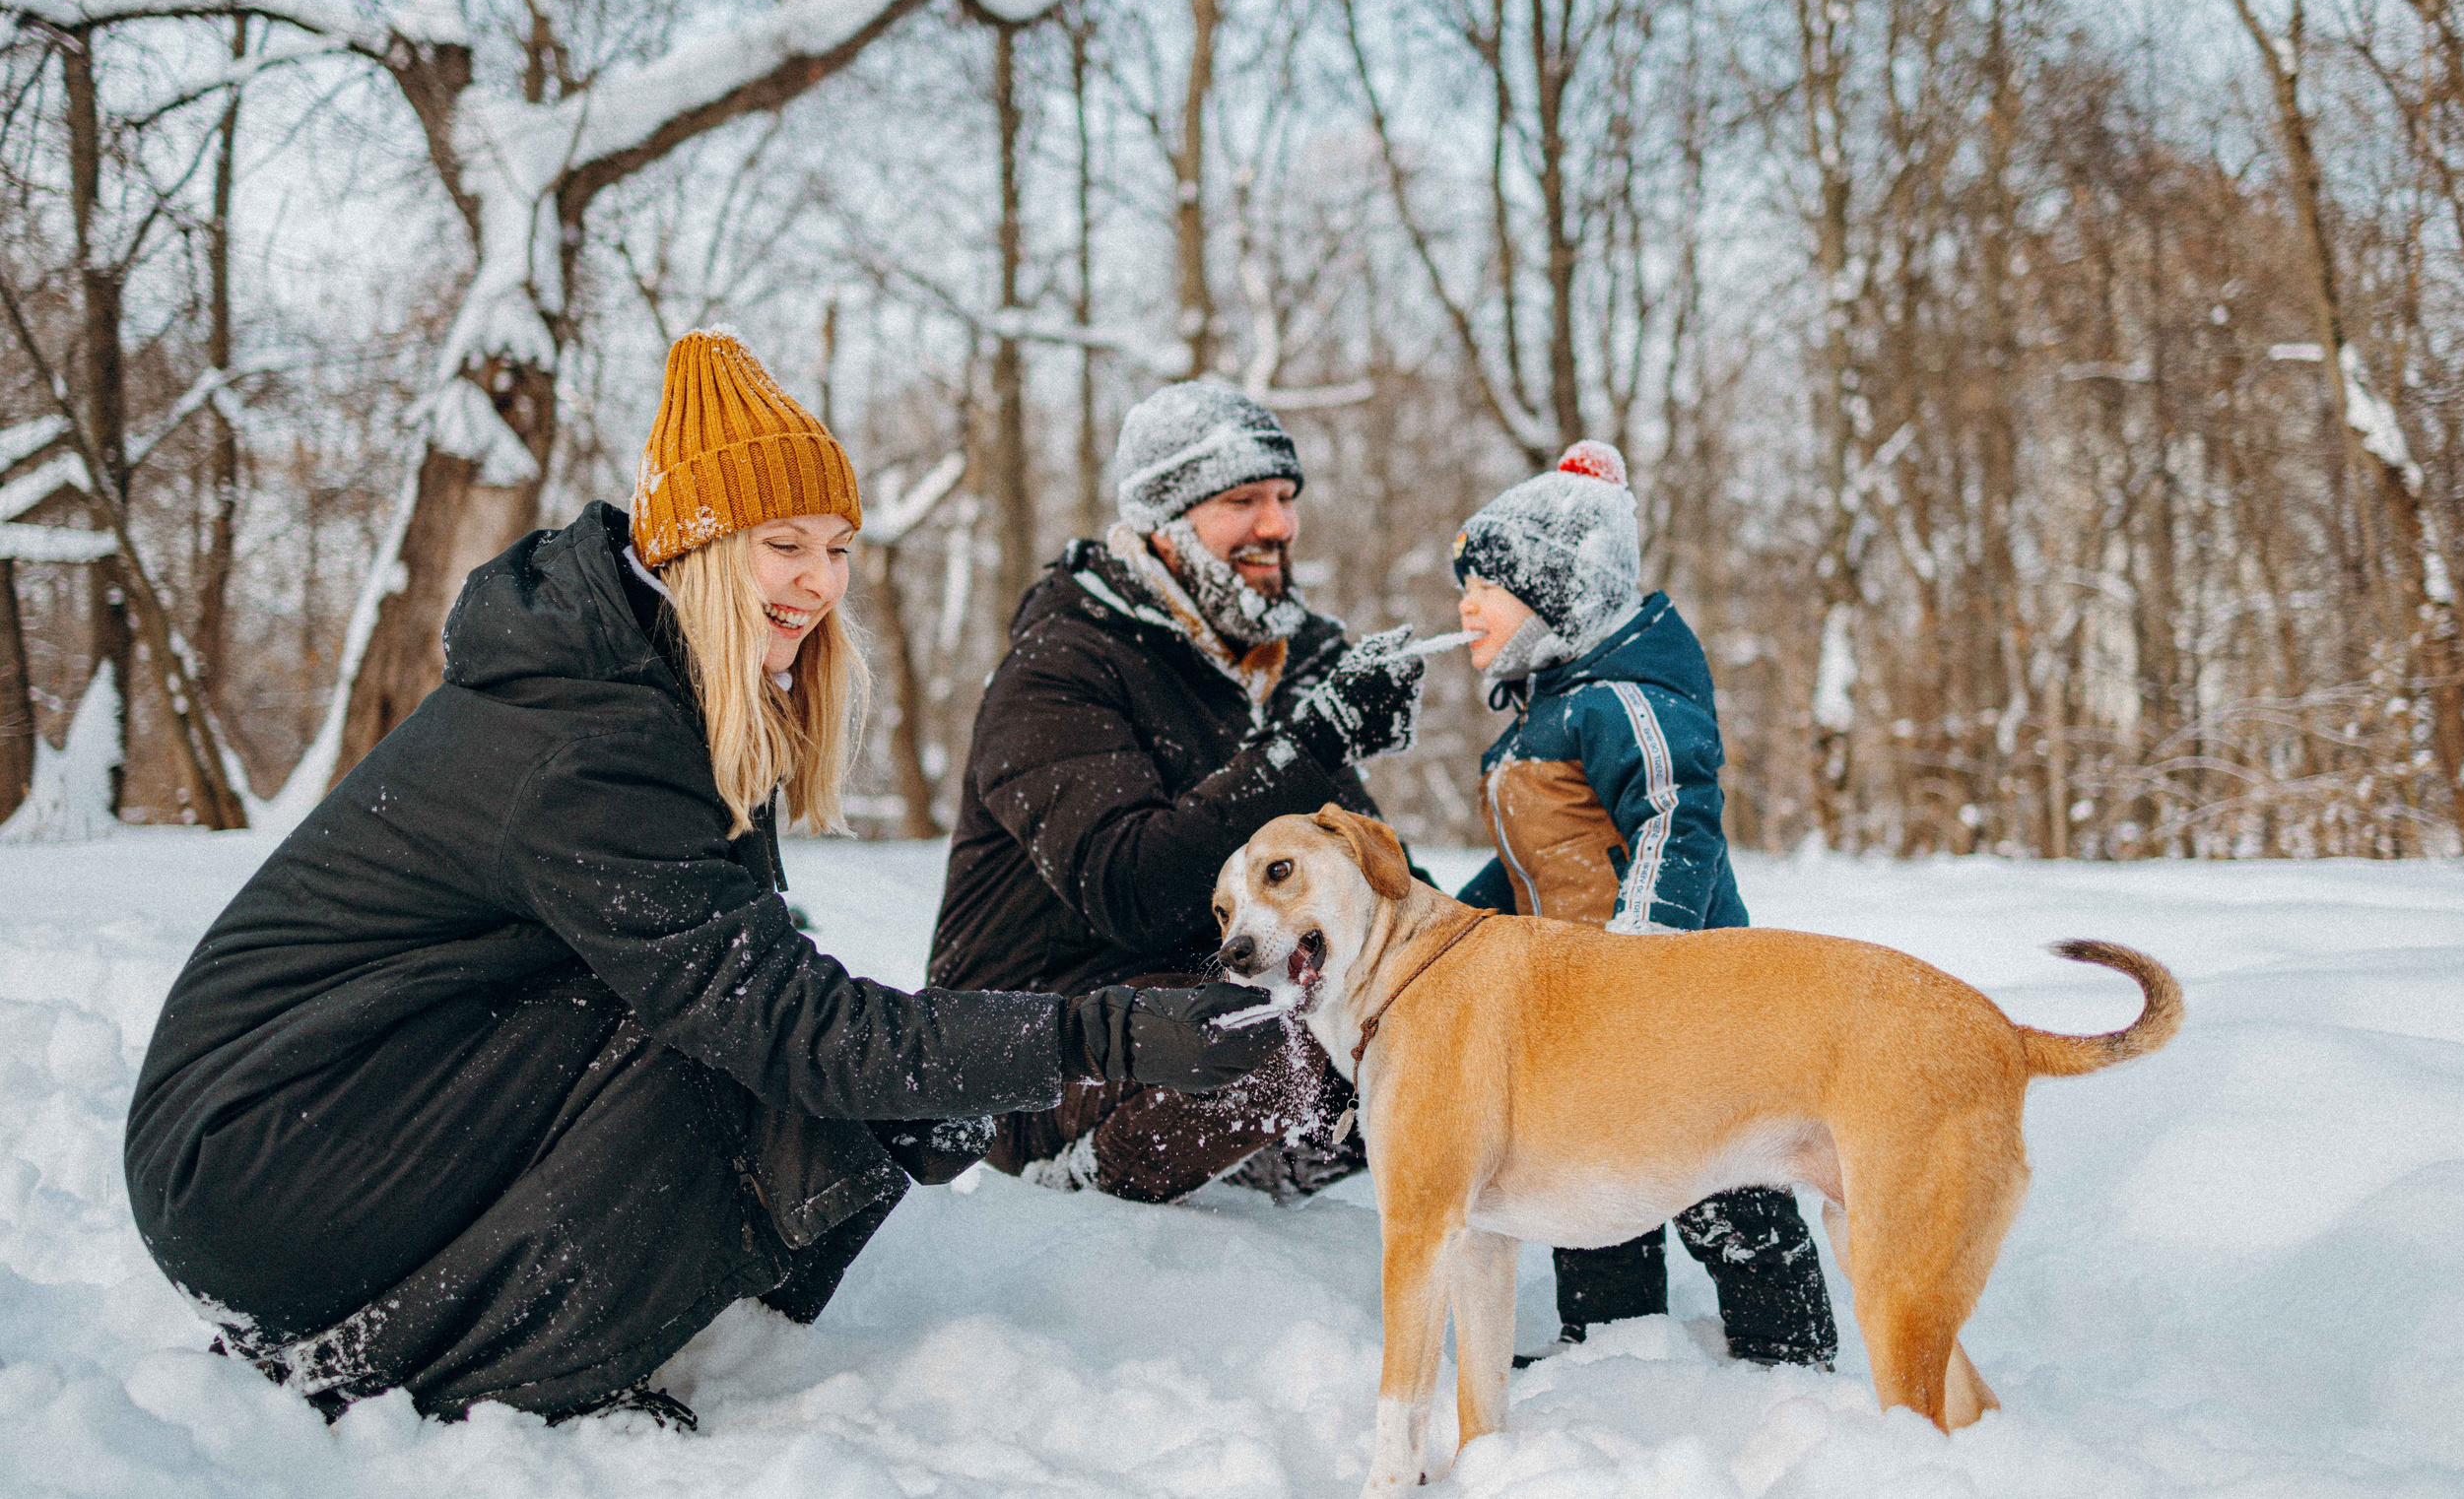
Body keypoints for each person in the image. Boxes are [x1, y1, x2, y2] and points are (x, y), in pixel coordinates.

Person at [121, 330, 1276, 1428]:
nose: (819, 582)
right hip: (258, 1163)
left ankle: (484, 1326)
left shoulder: (659, 685)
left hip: (322, 1120)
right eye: (785, 545)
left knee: (749, 1044)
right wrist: (1094, 1036)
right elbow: (781, 1024)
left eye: (837, 548)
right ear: (696, 547)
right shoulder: (597, 735)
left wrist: (916, 1087)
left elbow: (771, 996)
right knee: (711, 1058)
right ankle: (429, 1365)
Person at [928, 381, 1429, 1203]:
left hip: (1199, 995)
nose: (1278, 525)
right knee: (1281, 1032)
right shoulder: (1060, 667)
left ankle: (1301, 1145)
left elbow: (1352, 889)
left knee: (1421, 987)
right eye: (1242, 500)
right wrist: (1312, 740)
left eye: (1283, 497)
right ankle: (1088, 1177)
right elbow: (1132, 889)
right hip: (1042, 1051)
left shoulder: (1277, 661)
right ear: (1164, 525)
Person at [1449, 440, 1838, 1371]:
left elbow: (1676, 820)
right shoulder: (1539, 719)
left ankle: (1790, 1360)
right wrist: (1442, 931)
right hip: (1585, 1014)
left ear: (1557, 595)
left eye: (1487, 588)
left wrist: (1638, 961)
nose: (1464, 606)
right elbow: (1531, 873)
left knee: (1723, 1182)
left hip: (1685, 1007)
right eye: (1463, 587)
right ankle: (1614, 1354)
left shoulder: (1626, 698)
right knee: (1590, 1181)